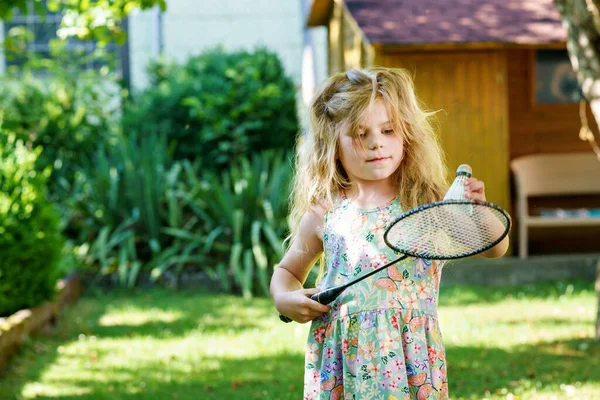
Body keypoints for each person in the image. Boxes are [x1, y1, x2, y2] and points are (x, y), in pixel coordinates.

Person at [270, 67, 509, 400]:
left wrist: (478, 212)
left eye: (387, 130)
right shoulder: (326, 211)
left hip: (410, 363)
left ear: (406, 134)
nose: (376, 143)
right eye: (359, 133)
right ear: (333, 144)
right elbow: (287, 272)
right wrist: (285, 298)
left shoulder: (427, 202)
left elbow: (493, 247)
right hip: (342, 363)